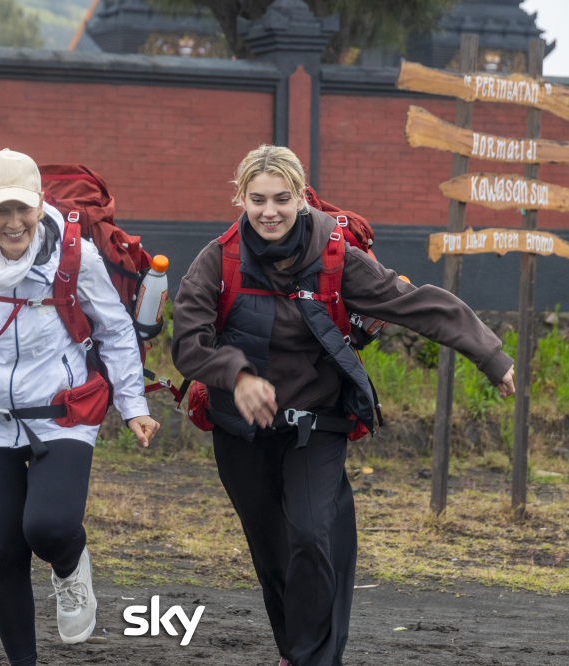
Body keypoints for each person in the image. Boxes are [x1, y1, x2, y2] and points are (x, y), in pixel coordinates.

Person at [172, 145, 516, 666]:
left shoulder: (335, 255)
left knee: (313, 538)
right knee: (274, 555)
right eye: (258, 199)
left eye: (282, 199)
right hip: (241, 429)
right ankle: (296, 652)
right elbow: (189, 344)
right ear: (241, 198)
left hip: (317, 423)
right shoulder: (216, 261)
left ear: (300, 199)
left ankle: (313, 659)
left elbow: (412, 302)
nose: (270, 211)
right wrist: (237, 375)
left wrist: (489, 353)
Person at [0, 149, 159, 665]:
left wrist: (132, 405)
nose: (13, 222)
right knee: (1, 553)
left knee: (47, 529)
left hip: (61, 411)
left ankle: (71, 567)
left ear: (40, 203)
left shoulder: (75, 257)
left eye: (22, 209)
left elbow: (114, 331)